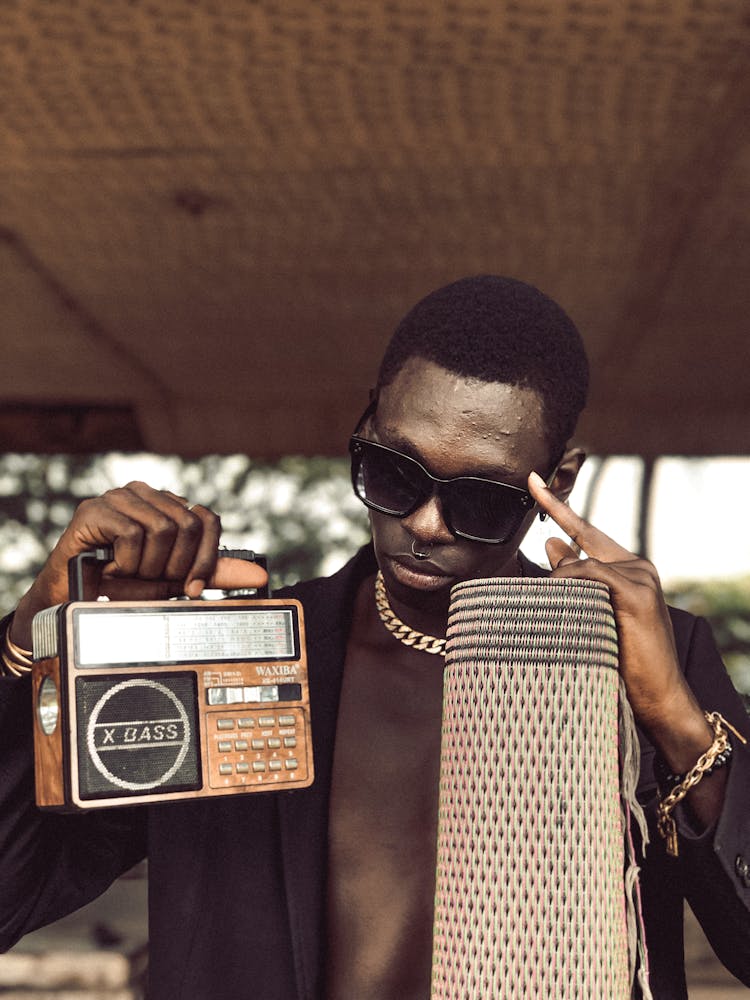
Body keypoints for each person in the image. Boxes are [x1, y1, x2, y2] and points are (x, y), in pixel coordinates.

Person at [0, 275, 748, 1000]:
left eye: (480, 500)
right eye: (394, 473)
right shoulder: (225, 656)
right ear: (364, 428)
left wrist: (677, 722)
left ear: (559, 480)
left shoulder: (645, 660)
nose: (424, 525)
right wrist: (35, 634)